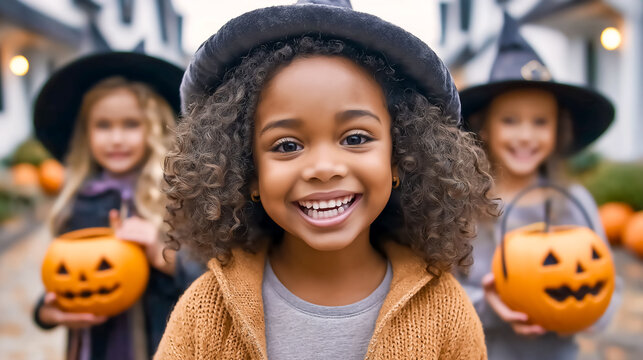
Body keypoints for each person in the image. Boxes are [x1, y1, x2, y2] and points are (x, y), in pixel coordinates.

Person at [155, 1, 498, 359]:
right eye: (287, 145)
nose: (323, 167)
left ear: (400, 157)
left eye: (355, 138)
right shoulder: (205, 312)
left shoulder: (447, 312)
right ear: (248, 172)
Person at [456, 13, 619, 360]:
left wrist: (580, 314)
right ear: (485, 128)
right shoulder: (461, 206)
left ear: (557, 130)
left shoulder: (574, 202)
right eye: (510, 120)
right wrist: (490, 305)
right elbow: (444, 294)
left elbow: (607, 291)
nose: (526, 135)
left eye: (540, 121)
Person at [31, 52, 205, 360]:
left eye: (130, 124)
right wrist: (46, 312)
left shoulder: (177, 197)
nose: (116, 138)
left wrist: (160, 253)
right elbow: (68, 276)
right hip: (94, 348)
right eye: (103, 126)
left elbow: (206, 280)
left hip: (158, 345)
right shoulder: (79, 201)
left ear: (154, 128)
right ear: (86, 133)